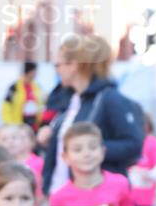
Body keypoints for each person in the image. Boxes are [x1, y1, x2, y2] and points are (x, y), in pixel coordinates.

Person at [42, 34, 144, 195]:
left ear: (74, 65)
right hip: (64, 194)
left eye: (58, 64)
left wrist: (91, 149)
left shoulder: (109, 99)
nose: (57, 70)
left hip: (95, 195)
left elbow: (133, 145)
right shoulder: (71, 99)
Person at [0, 124, 44, 202]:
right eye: (4, 139)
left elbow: (40, 195)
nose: (10, 142)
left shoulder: (34, 165)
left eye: (14, 138)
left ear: (22, 141)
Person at [1, 61, 44, 130]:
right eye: (35, 71)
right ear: (29, 72)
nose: (36, 74)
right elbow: (6, 105)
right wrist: (9, 124)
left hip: (34, 124)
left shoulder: (36, 87)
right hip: (18, 124)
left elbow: (42, 102)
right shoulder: (14, 87)